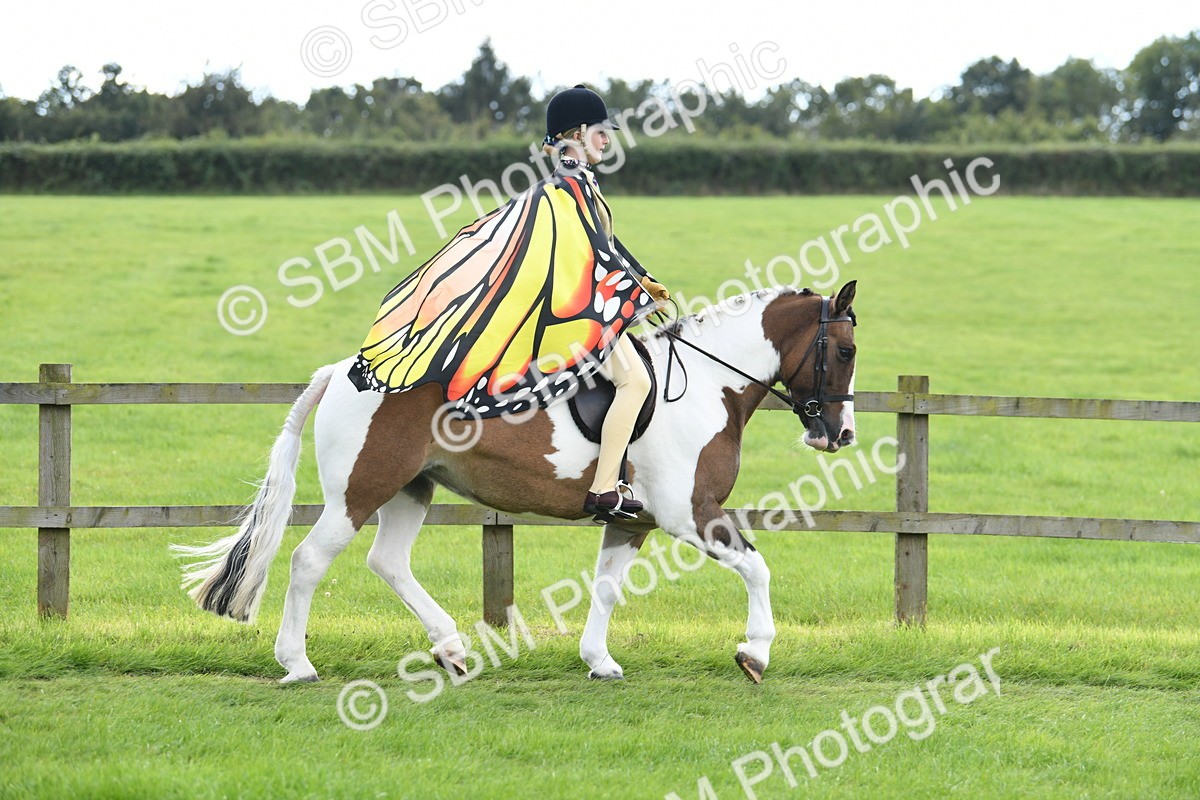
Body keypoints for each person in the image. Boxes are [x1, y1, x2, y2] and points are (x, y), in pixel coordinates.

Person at [348, 84, 670, 520]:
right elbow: (594, 252)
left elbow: (607, 245)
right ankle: (604, 487)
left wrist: (643, 280)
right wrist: (633, 289)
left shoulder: (570, 184)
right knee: (637, 383)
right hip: (574, 312)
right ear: (576, 133)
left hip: (574, 303)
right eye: (599, 131)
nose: (607, 139)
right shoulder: (571, 186)